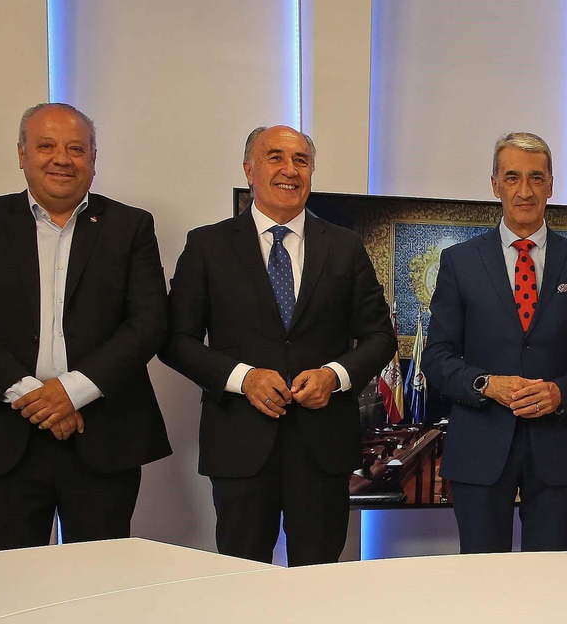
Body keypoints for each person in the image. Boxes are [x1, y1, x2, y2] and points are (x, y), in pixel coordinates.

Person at [0, 102, 171, 551]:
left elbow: (148, 321)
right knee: (7, 589)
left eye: (76, 148)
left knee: (99, 587)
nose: (61, 159)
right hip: (2, 434)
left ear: (93, 158)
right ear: (22, 154)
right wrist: (31, 395)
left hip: (103, 433)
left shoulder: (130, 226)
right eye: (46, 146)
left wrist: (72, 391)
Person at [161, 125, 395, 565]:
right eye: (275, 157)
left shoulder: (344, 246)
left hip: (323, 448)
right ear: (249, 168)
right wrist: (241, 378)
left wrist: (335, 376)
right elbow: (175, 340)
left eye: (301, 161)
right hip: (240, 446)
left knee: (320, 582)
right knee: (243, 582)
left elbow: (380, 336)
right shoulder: (207, 245)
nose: (290, 170)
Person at [418, 132, 567, 553]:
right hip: (481, 449)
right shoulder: (460, 261)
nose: (524, 191)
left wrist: (560, 393)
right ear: (495, 184)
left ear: (552, 185)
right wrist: (486, 384)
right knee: (483, 587)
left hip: (557, 451)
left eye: (536, 178)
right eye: (513, 177)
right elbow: (438, 357)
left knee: (549, 584)